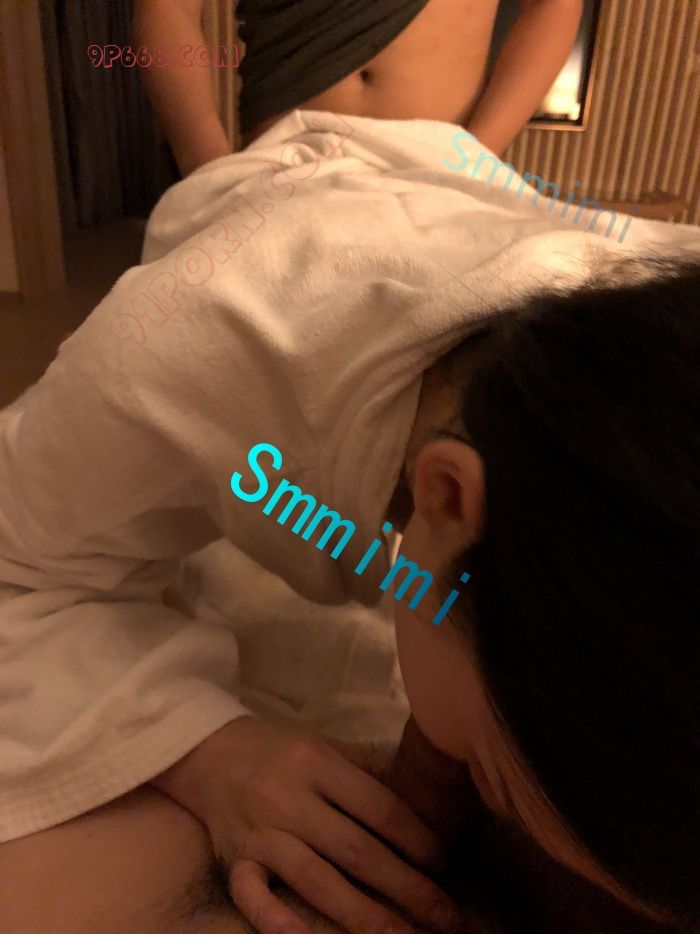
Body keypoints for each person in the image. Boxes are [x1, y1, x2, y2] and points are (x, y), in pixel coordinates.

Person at [0, 74, 698, 934]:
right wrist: (208, 752)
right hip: (270, 207)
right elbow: (13, 562)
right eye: (496, 781)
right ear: (444, 500)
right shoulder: (187, 355)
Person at [134, 0, 584, 175]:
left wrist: (477, 155)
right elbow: (168, 6)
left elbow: (555, 5)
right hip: (279, 168)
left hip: (441, 171)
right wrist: (206, 167)